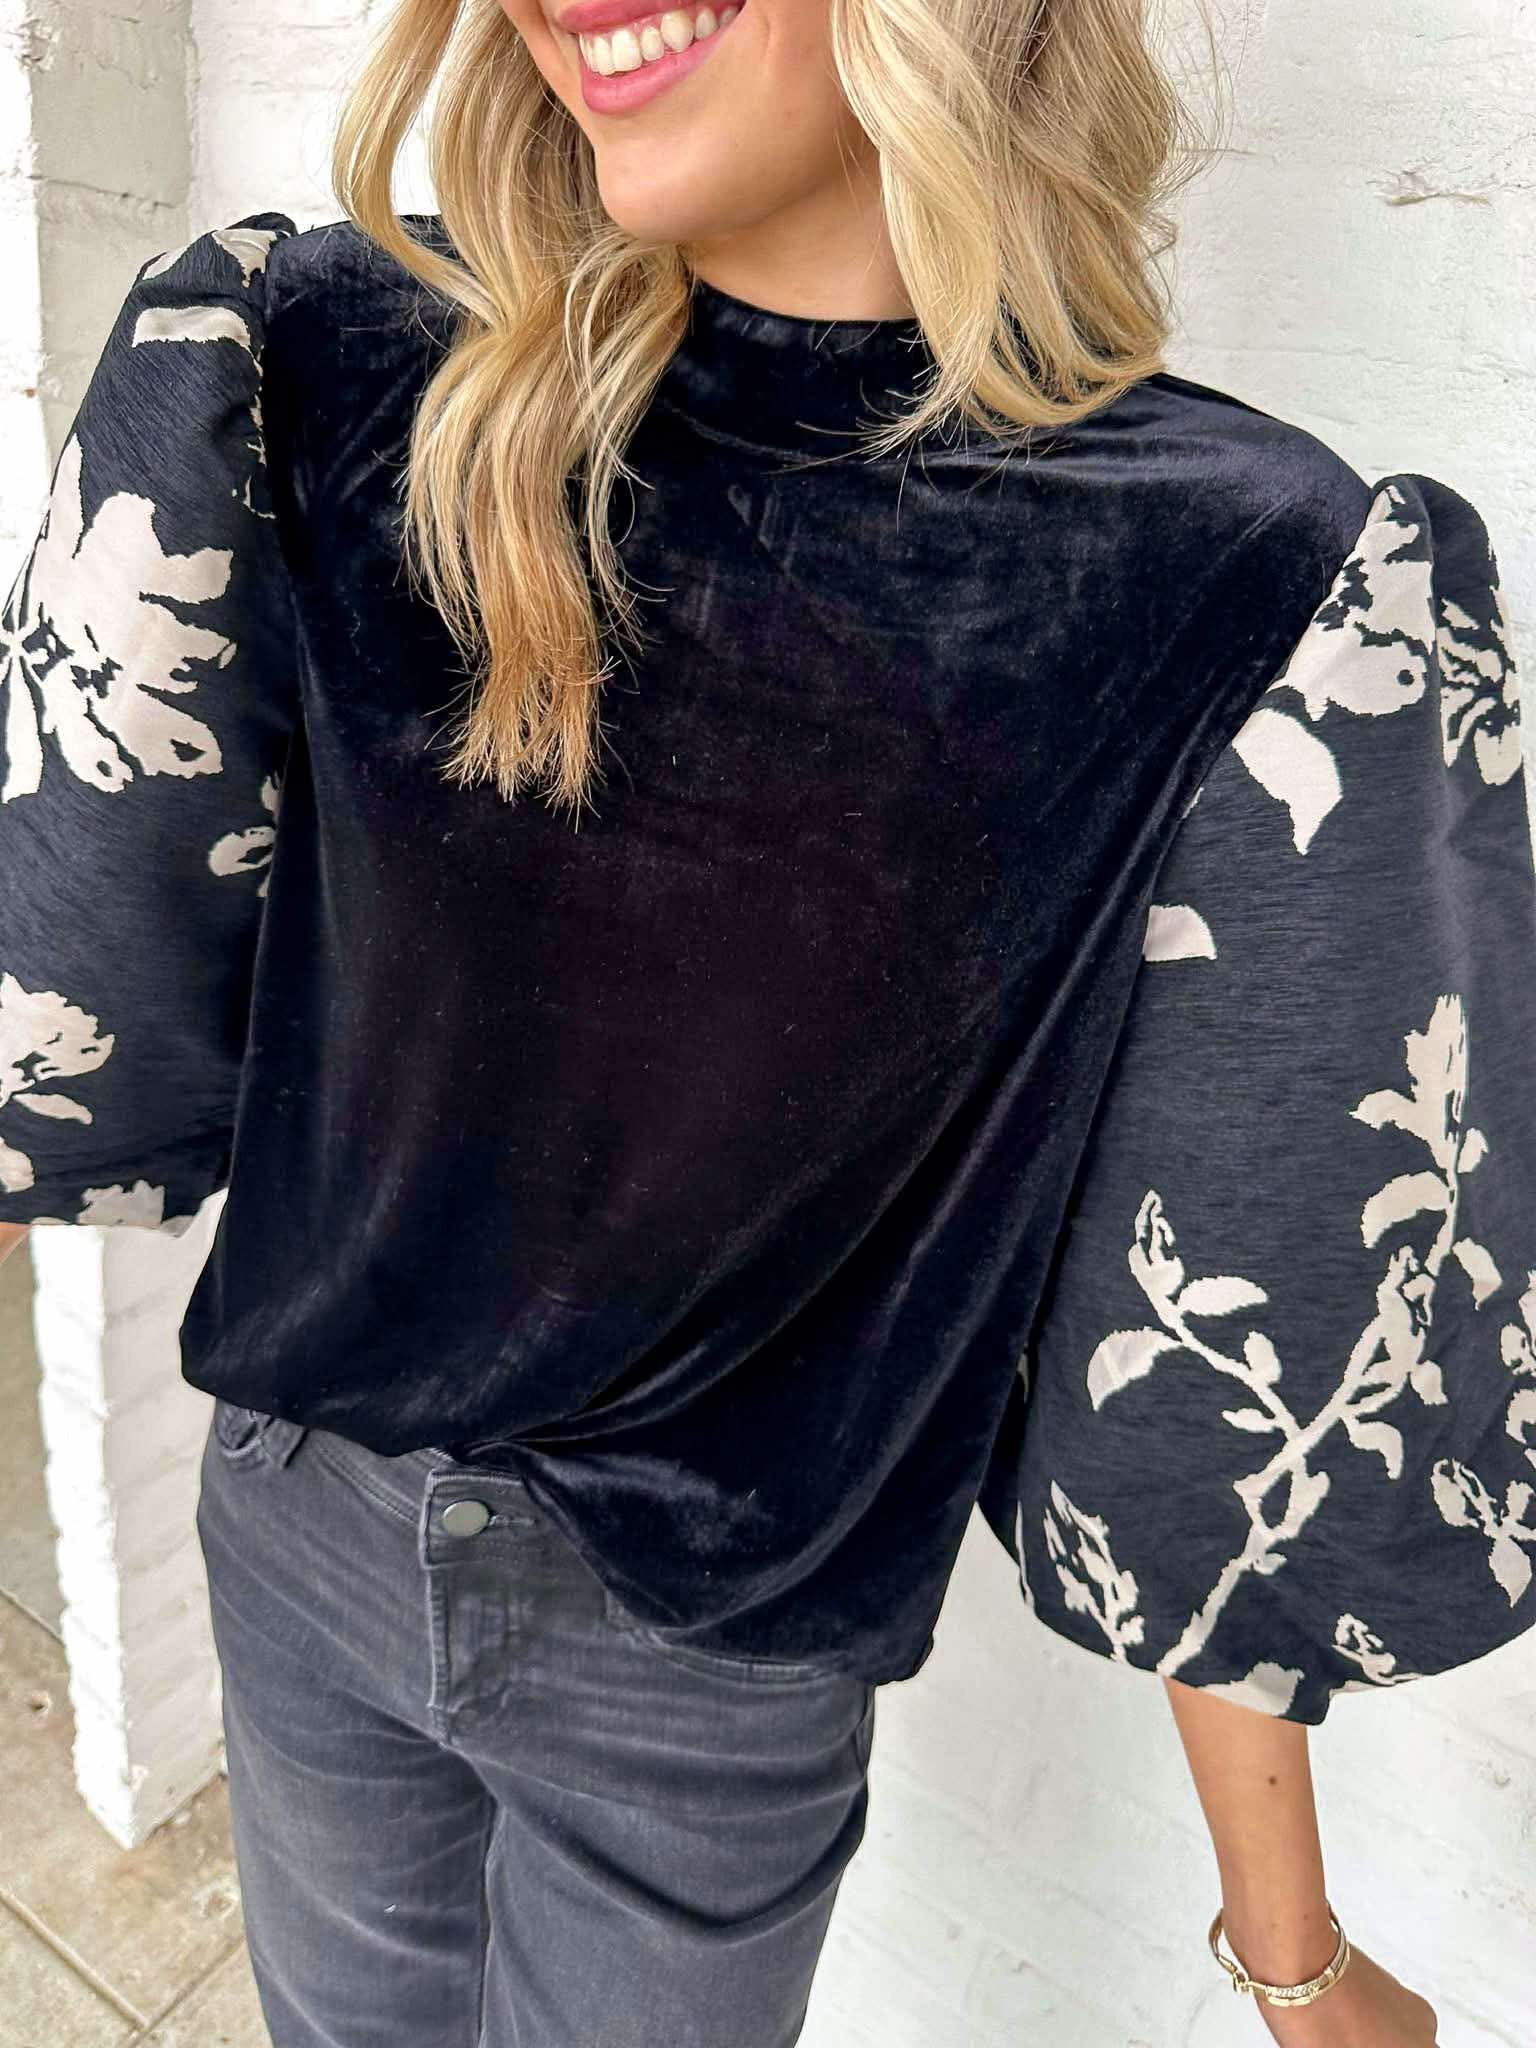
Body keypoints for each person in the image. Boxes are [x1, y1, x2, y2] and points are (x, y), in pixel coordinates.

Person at [1, 0, 1531, 2039]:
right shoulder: (334, 357)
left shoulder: (1231, 574)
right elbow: (76, 966)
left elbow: (1227, 1349)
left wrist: (1294, 1951)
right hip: (301, 1532)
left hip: (706, 1678)